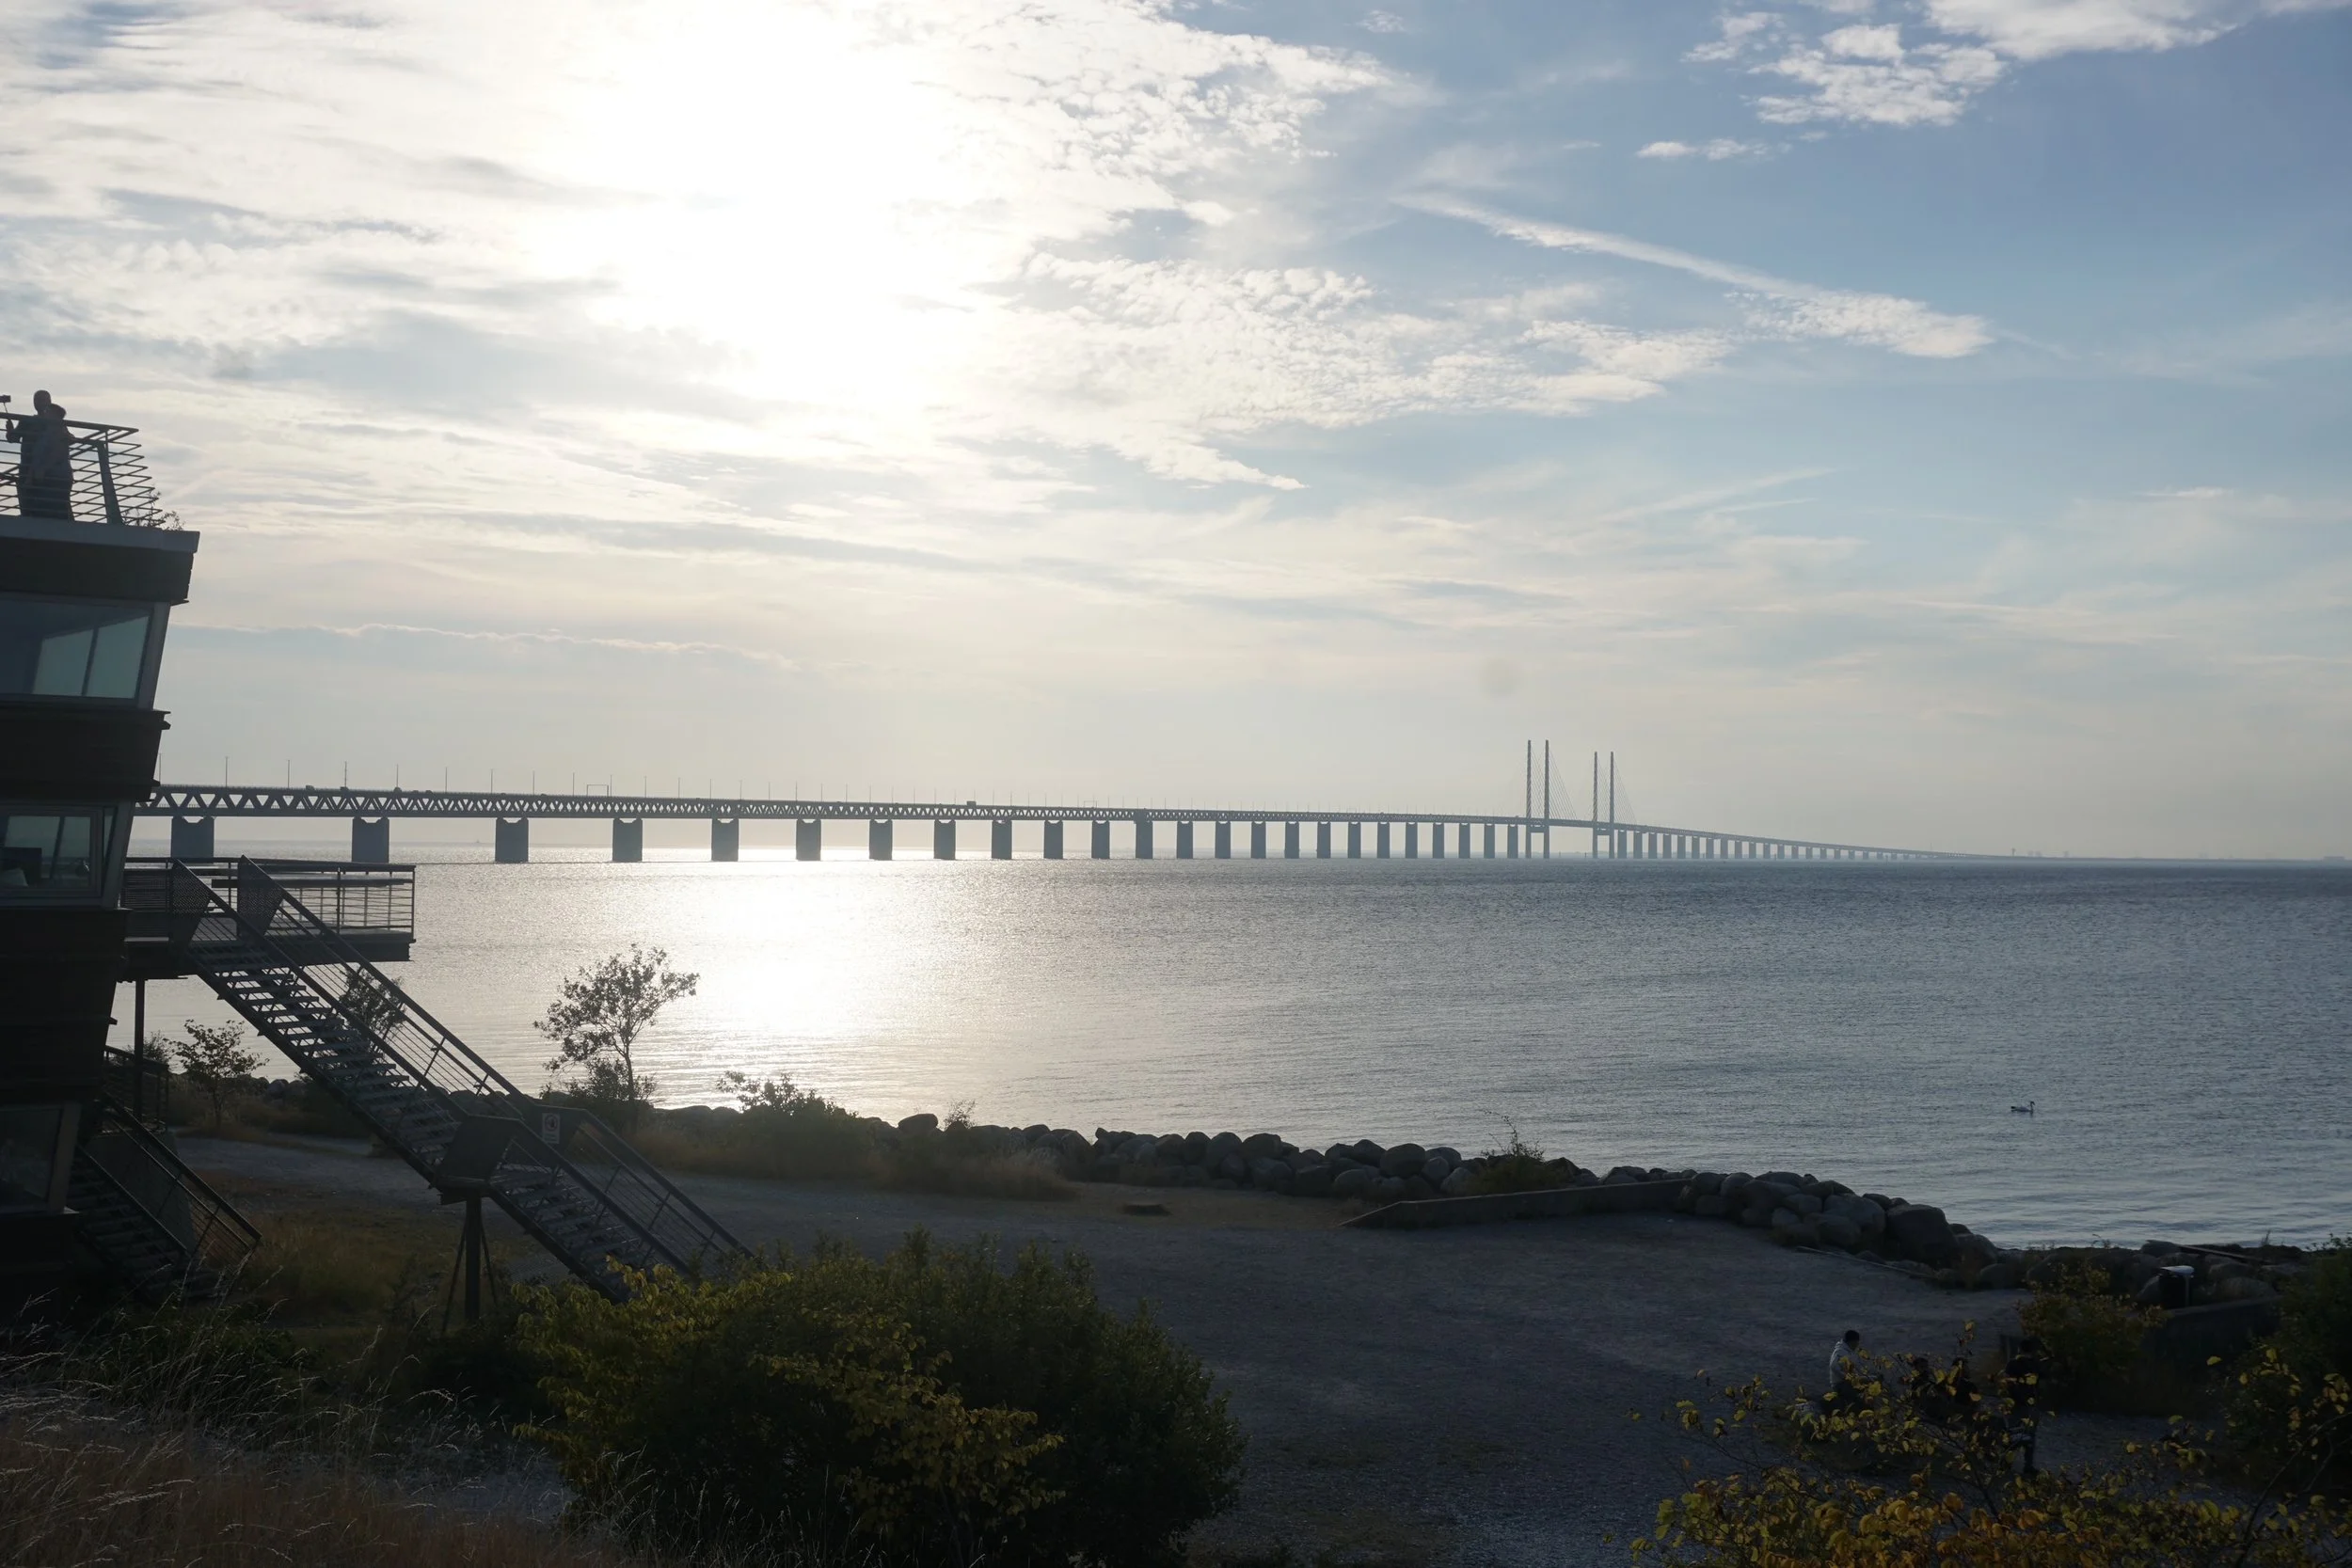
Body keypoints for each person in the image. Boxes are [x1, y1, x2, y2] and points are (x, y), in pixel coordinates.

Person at [12, 389, 75, 519]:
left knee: (50, 504)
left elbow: (68, 439)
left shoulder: (55, 423)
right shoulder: (28, 421)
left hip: (48, 471)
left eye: (42, 400)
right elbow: (13, 437)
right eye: (37, 400)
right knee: (32, 503)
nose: (39, 403)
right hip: (30, 467)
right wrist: (9, 431)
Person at [1826, 1327, 1864, 1412]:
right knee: (1856, 1399)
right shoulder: (1840, 1351)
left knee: (1870, 1380)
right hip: (1840, 1384)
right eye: (1857, 1342)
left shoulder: (1848, 1351)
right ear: (1852, 1342)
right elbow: (1833, 1366)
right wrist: (1846, 1377)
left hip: (1848, 1381)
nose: (1858, 1344)